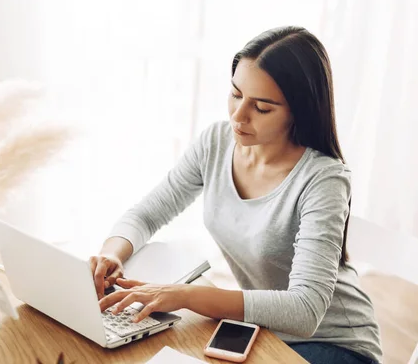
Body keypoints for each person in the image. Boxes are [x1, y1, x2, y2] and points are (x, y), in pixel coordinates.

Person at [89, 26, 383, 364]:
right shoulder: (216, 143)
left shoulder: (323, 180)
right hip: (259, 327)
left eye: (261, 107)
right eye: (235, 93)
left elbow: (305, 310)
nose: (238, 116)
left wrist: (185, 295)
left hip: (335, 343)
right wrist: (112, 254)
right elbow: (148, 213)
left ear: (298, 111)